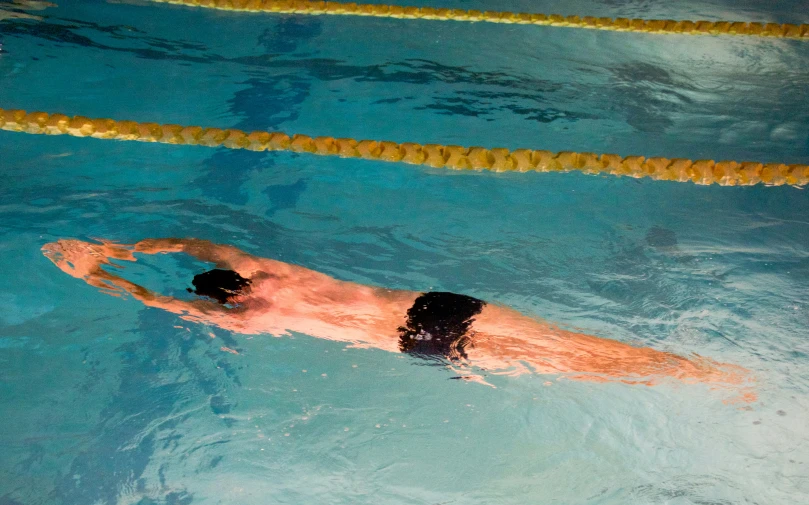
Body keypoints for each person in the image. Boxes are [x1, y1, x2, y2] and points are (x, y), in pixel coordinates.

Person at [42, 238, 755, 400]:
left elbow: (150, 301)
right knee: (563, 344)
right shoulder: (279, 274)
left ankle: (690, 381)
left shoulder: (244, 322)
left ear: (221, 298)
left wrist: (97, 273)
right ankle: (694, 368)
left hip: (412, 339)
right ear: (245, 278)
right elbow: (197, 243)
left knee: (557, 360)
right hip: (429, 307)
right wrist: (123, 247)